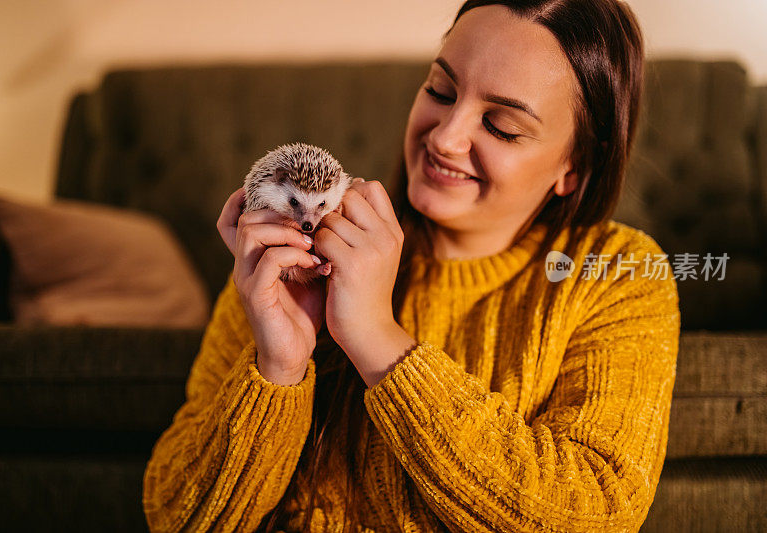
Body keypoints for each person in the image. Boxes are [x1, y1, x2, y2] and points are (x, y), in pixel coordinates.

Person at [142, 0, 681, 531]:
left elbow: (595, 512)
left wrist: (376, 338)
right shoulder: (291, 250)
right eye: (440, 91)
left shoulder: (617, 272)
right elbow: (175, 515)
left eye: (501, 126)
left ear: (575, 163)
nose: (444, 137)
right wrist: (278, 366)